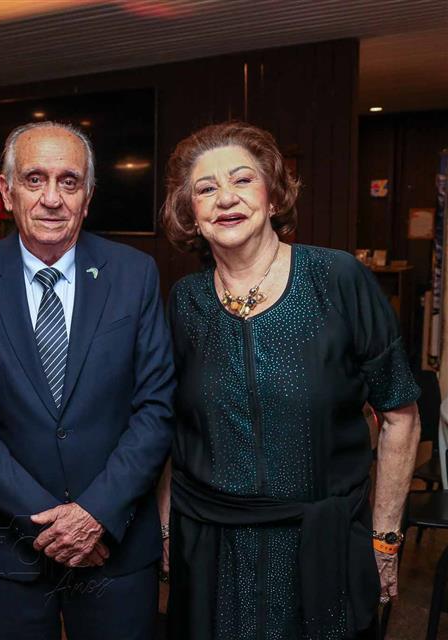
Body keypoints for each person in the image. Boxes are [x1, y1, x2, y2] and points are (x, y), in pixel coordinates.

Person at [159, 121, 421, 639]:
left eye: (242, 180)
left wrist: (385, 539)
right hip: (211, 549)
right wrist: (167, 527)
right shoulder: (185, 302)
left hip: (320, 546)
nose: (225, 198)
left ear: (274, 195)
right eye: (206, 189)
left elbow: (400, 415)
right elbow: (172, 426)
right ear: (191, 214)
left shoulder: (337, 278)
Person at [0, 121, 175, 639]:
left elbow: (156, 408)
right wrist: (53, 523)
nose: (52, 198)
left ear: (87, 197)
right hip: (15, 550)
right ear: (7, 192)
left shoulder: (135, 274)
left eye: (69, 181)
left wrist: (96, 513)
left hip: (115, 545)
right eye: (34, 179)